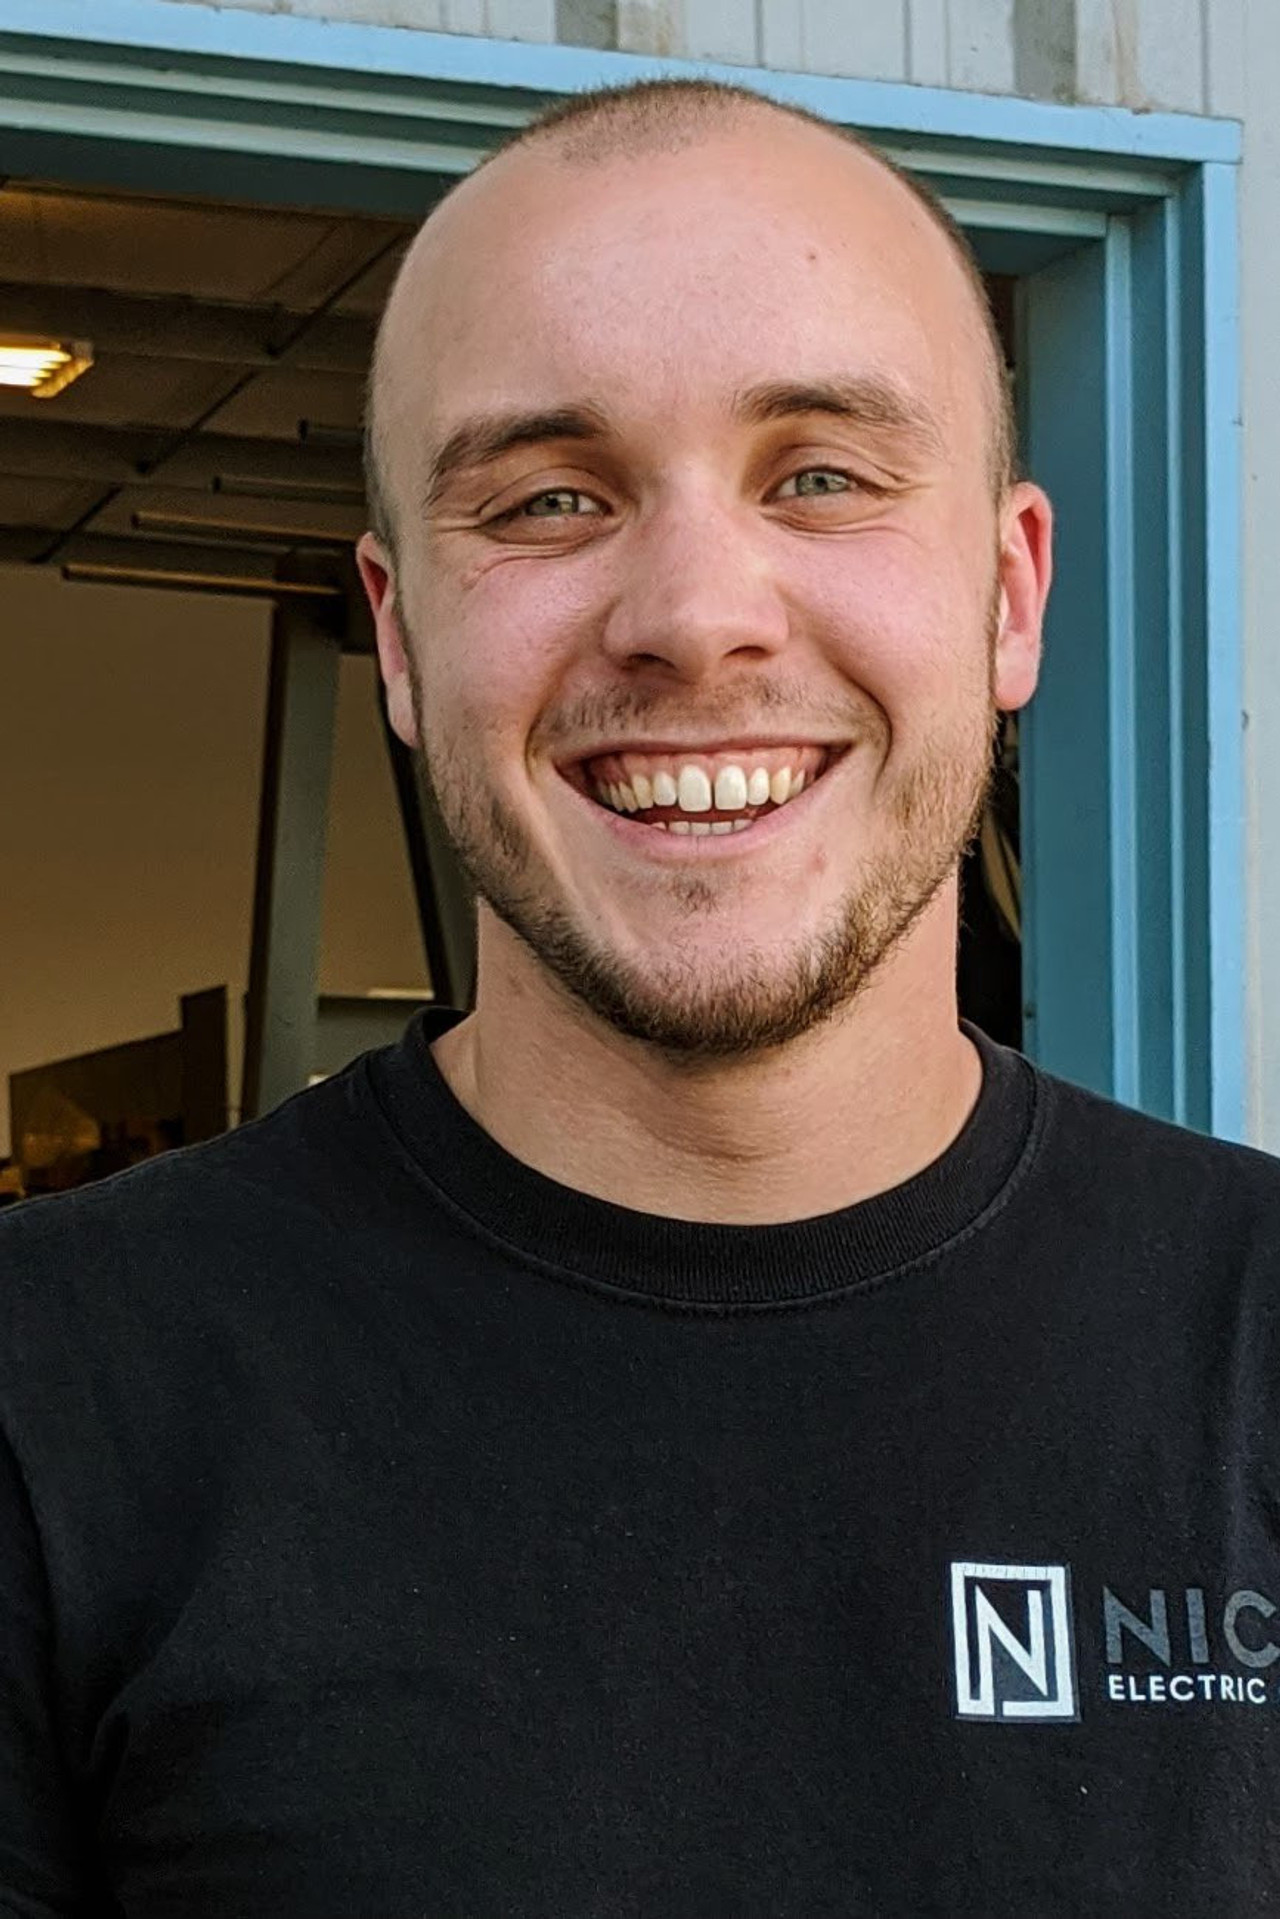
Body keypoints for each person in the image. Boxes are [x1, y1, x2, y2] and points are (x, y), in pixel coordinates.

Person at [1, 76, 1276, 1919]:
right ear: (401, 637)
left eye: (821, 474)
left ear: (1010, 594)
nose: (693, 613)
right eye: (548, 499)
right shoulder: (50, 1395)